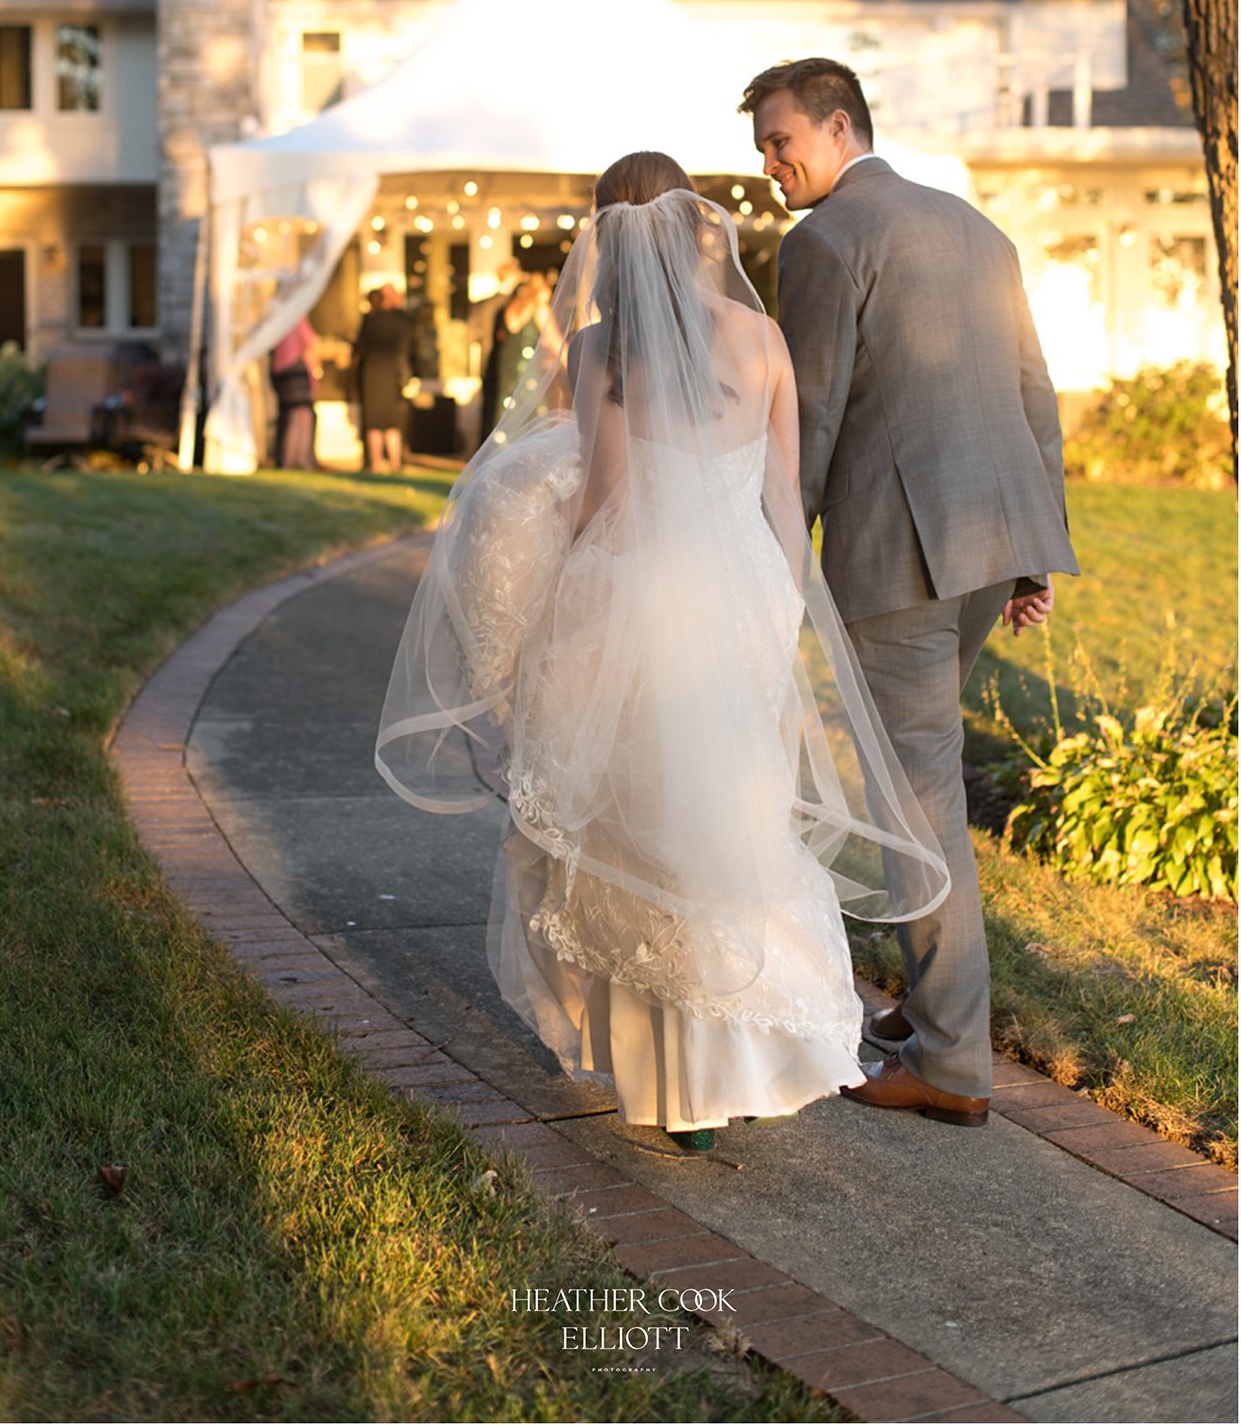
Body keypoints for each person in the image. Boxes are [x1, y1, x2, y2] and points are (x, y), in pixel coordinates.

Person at [376, 151, 950, 1154]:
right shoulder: (762, 338)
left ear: (606, 239)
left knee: (630, 832)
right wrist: (781, 605)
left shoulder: (601, 347)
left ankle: (679, 1091)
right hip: (744, 595)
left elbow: (603, 500)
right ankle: (742, 1063)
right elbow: (783, 493)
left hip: (629, 596)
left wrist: (539, 591)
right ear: (695, 229)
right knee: (730, 823)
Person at [744, 56, 1079, 1130]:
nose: (771, 164)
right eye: (762, 146)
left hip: (901, 559)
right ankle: (931, 1017)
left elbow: (811, 416)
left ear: (841, 126)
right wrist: (1033, 554)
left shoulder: (824, 241)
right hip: (987, 545)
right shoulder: (976, 228)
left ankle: (952, 1063)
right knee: (921, 785)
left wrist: (769, 557)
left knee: (917, 804)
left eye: (782, 140)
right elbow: (1032, 394)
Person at [479, 269, 552, 437]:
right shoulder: (539, 309)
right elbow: (553, 340)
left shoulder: (512, 306)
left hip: (509, 366)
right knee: (530, 417)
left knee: (509, 412)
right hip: (528, 369)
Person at [354, 283, 414, 475]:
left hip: (373, 375)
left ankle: (376, 463)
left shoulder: (371, 320)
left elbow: (360, 348)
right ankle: (395, 463)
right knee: (391, 420)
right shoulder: (402, 321)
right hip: (392, 375)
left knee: (375, 421)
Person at [269, 313, 321, 470]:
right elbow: (312, 341)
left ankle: (290, 460)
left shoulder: (276, 315)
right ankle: (297, 459)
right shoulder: (296, 315)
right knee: (301, 415)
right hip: (294, 369)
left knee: (292, 414)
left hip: (279, 370)